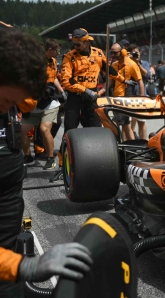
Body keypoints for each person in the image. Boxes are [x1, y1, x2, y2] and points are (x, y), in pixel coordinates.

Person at [0, 25, 92, 296]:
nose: (7, 108)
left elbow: (25, 102)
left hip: (8, 199)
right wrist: (23, 267)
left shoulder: (12, 94)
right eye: (5, 100)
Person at [20, 38, 65, 170]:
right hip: (33, 102)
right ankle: (28, 157)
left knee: (44, 129)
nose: (58, 53)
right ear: (49, 50)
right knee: (22, 131)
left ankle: (50, 158)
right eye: (56, 50)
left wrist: (61, 91)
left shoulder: (53, 62)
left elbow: (54, 77)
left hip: (49, 102)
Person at [60, 28, 109, 133]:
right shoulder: (69, 57)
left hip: (92, 96)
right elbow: (66, 80)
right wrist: (86, 90)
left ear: (86, 42)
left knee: (95, 127)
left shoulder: (98, 54)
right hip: (74, 96)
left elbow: (109, 74)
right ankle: (65, 149)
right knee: (70, 128)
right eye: (74, 44)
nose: (75, 47)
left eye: (78, 45)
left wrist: (102, 91)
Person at [109, 42, 144, 141]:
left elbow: (140, 82)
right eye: (112, 53)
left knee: (114, 124)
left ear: (123, 52)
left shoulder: (131, 64)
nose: (113, 55)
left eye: (115, 53)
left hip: (125, 98)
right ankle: (132, 147)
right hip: (116, 97)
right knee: (126, 125)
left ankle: (115, 145)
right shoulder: (114, 64)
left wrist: (142, 99)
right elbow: (110, 81)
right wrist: (102, 90)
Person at [128, 44, 150, 140]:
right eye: (134, 53)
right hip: (129, 96)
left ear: (140, 53)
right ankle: (131, 144)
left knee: (141, 121)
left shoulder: (144, 63)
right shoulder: (127, 63)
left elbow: (146, 74)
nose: (136, 54)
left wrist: (138, 63)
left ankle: (143, 143)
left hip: (141, 96)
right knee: (127, 123)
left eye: (137, 52)